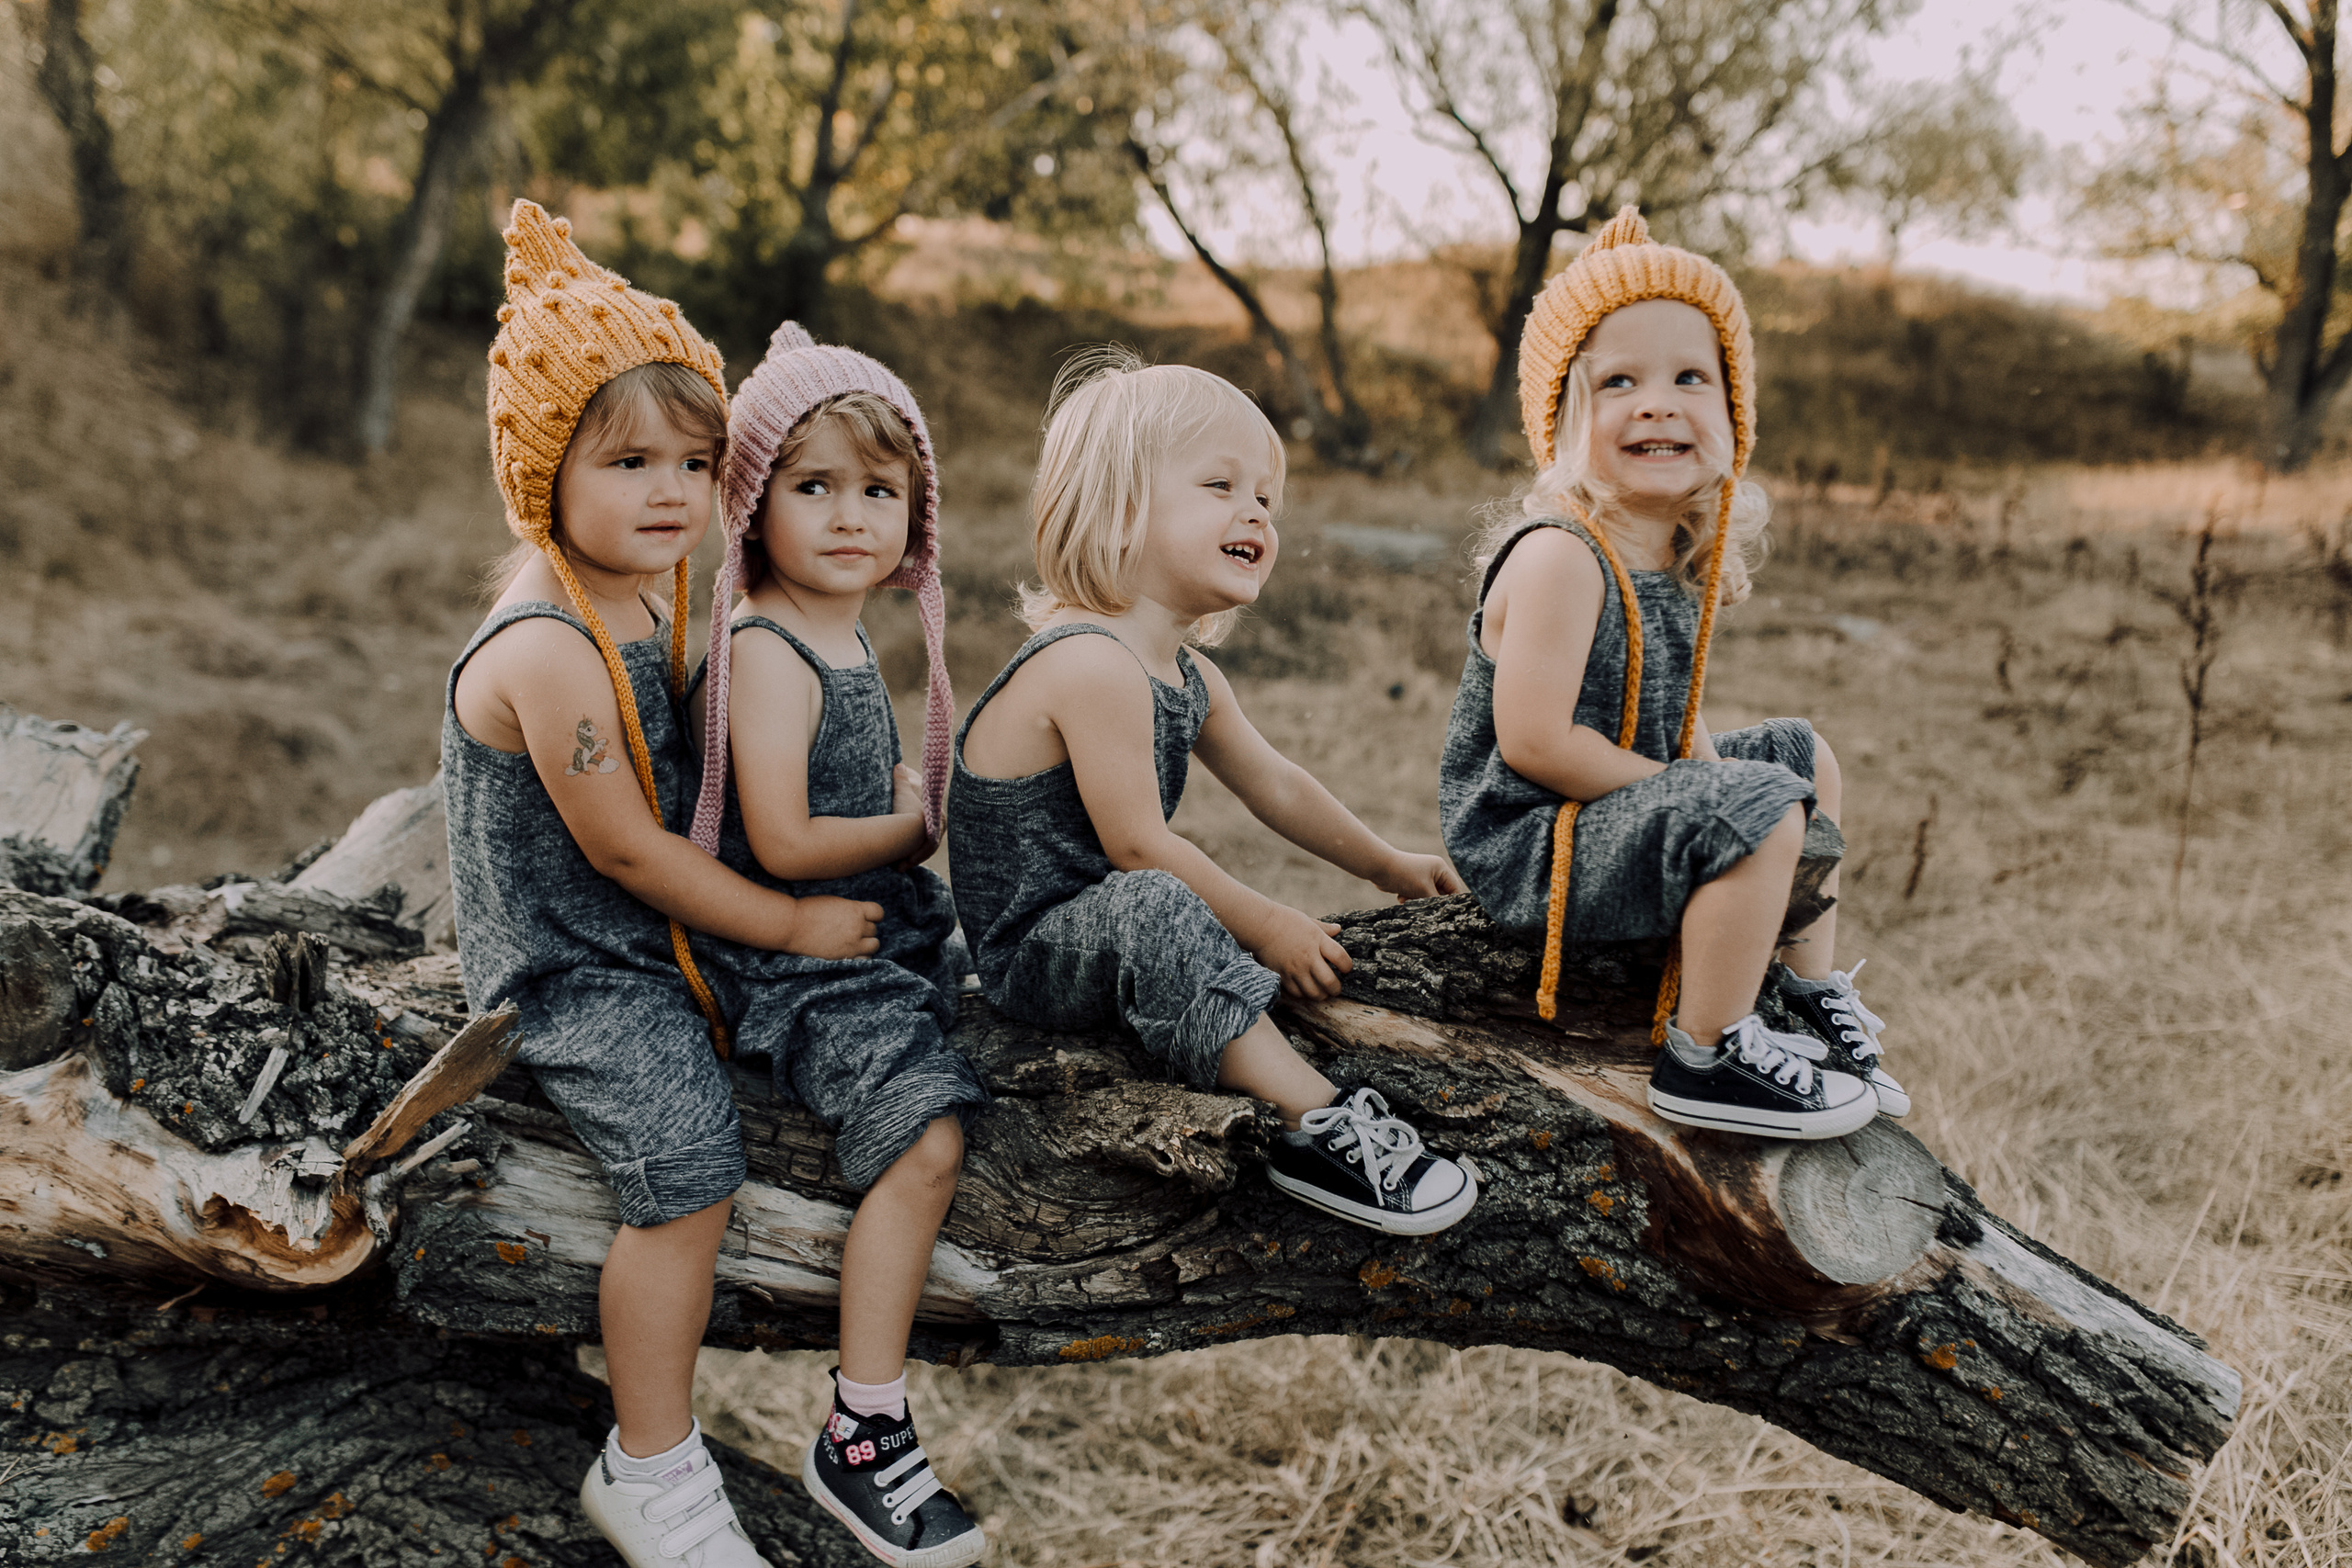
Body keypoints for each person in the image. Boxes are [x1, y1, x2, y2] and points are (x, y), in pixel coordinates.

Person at [446, 202, 876, 1568]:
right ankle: (650, 1458)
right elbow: (631, 847)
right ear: (539, 476)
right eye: (629, 459)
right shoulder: (549, 645)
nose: (671, 490)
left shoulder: (656, 588)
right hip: (574, 962)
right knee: (688, 1162)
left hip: (668, 925)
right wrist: (788, 918)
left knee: (876, 1027)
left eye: (696, 459)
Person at [950, 347, 1482, 1236]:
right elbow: (1136, 849)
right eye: (1220, 487)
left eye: (1266, 499)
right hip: (1030, 949)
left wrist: (1387, 863)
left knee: (1156, 908)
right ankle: (1313, 1121)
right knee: (1157, 902)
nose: (1255, 514)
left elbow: (1275, 782)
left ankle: (1251, 1048)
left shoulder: (1185, 673)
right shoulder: (1090, 662)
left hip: (1107, 921)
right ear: (1120, 509)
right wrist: (1267, 924)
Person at [1439, 206, 1905, 1141]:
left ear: (1730, 412)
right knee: (1758, 802)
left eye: (1690, 377)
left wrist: (1711, 782)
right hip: (1536, 840)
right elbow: (1532, 742)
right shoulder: (1562, 556)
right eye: (1619, 381)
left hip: (1607, 809)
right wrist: (1703, 793)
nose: (1657, 401)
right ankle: (1706, 1054)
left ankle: (1802, 995)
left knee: (1798, 759)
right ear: (1564, 421)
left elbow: (1674, 722)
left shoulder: (1674, 558)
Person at [684, 322, 988, 1568]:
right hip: (792, 952)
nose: (851, 515)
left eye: (880, 488)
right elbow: (783, 837)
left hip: (875, 924)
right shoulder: (767, 644)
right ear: (754, 502)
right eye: (813, 486)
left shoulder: (846, 623)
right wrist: (921, 819)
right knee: (926, 1140)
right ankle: (864, 1424)